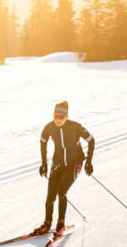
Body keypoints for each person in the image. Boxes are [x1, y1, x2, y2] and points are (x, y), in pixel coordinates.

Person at [34, 100, 95, 238]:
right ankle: (47, 224)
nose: (58, 120)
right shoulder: (49, 127)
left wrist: (89, 162)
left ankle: (60, 224)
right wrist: (44, 163)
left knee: (61, 191)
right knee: (50, 195)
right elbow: (43, 143)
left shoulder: (75, 127)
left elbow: (91, 140)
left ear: (66, 116)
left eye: (61, 117)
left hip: (75, 162)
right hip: (58, 163)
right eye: (55, 116)